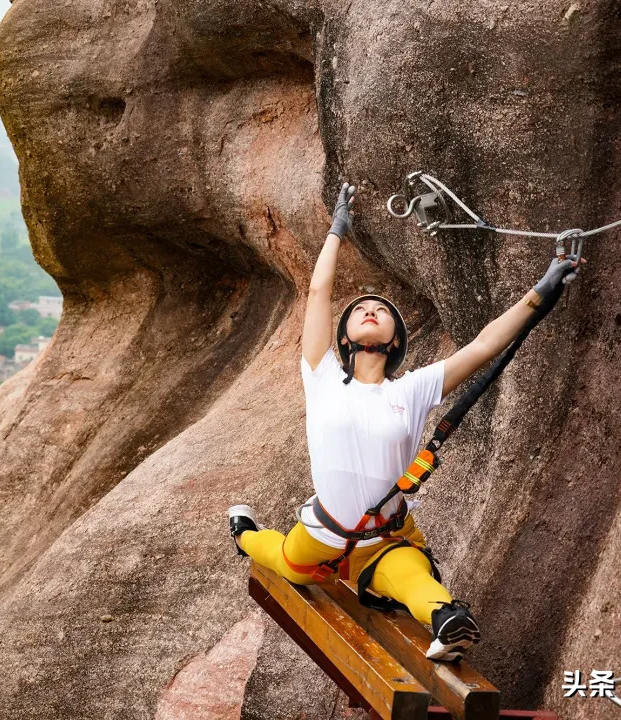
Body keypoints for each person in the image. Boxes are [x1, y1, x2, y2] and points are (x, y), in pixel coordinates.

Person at [228, 183, 584, 662]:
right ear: (346, 337)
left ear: (395, 340)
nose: (369, 310)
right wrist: (337, 232)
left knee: (412, 576)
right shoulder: (323, 374)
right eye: (359, 310)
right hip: (323, 531)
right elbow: (318, 290)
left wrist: (540, 293)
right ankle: (245, 534)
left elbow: (482, 346)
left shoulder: (412, 389)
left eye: (380, 311)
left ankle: (449, 621)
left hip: (384, 537)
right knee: (285, 563)